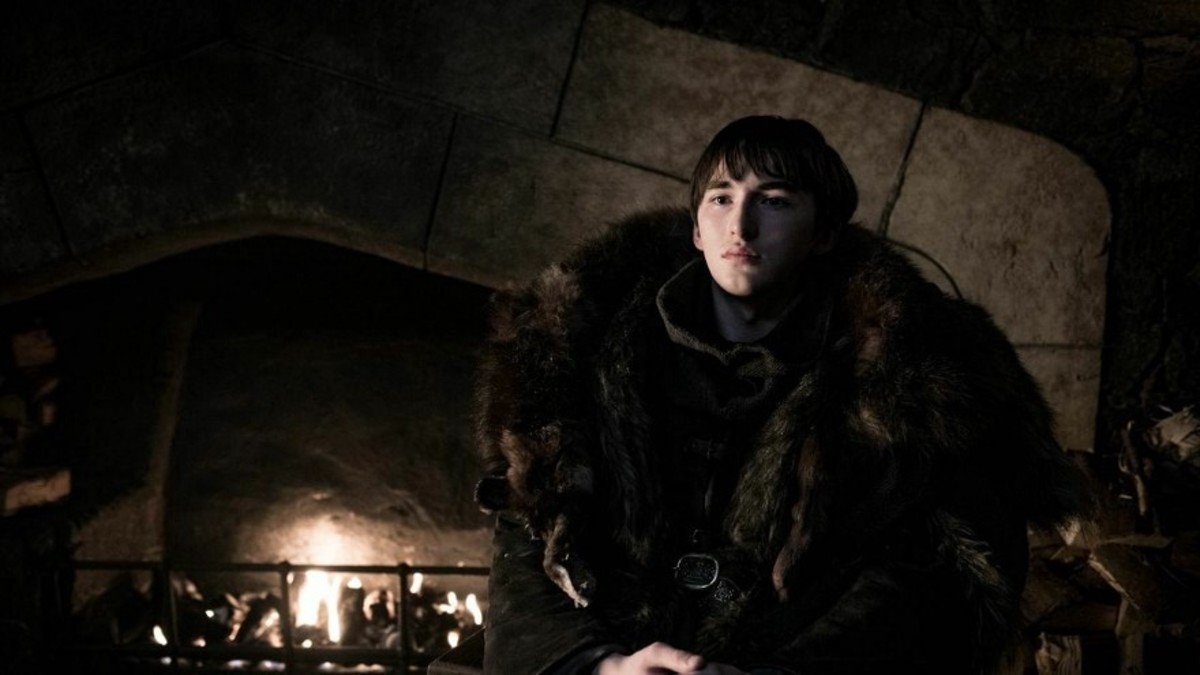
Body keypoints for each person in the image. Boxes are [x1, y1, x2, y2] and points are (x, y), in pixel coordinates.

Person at [473, 116, 1092, 674]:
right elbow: (532, 524)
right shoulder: (582, 348)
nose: (740, 225)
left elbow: (939, 575)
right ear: (696, 229)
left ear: (822, 233)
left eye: (773, 201)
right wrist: (602, 666)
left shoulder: (912, 375)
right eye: (722, 198)